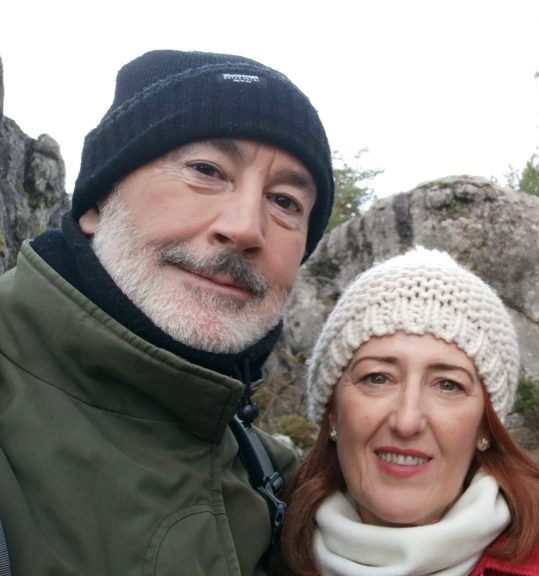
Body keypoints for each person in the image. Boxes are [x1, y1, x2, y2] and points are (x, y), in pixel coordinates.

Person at [0, 49, 335, 575]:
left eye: (286, 202)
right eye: (206, 170)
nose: (245, 228)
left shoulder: (281, 483)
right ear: (97, 201)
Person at [276, 246, 539, 575]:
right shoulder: (261, 551)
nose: (407, 420)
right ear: (332, 412)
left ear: (485, 426)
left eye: (448, 385)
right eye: (377, 378)